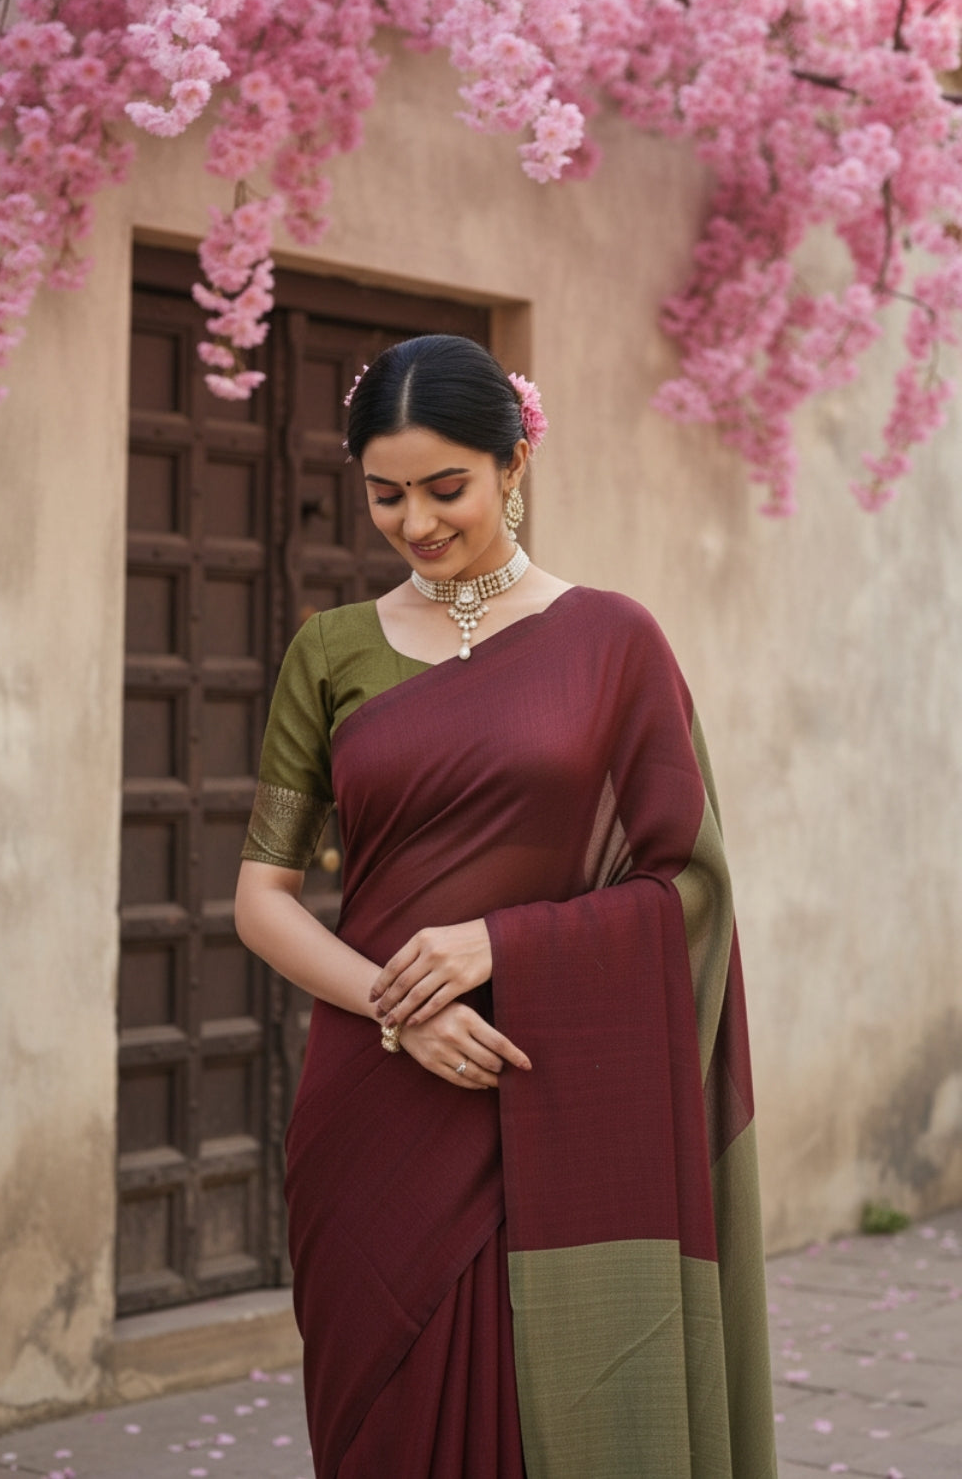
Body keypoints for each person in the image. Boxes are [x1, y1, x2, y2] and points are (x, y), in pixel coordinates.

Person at [234, 334, 777, 1479]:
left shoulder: (613, 644)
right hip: (373, 1102)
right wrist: (400, 1010)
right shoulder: (328, 653)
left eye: (447, 488)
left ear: (513, 461)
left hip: (542, 1081)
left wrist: (501, 945)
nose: (416, 523)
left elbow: (688, 885)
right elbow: (263, 900)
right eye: (385, 494)